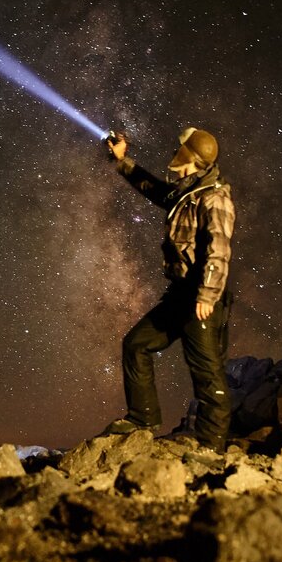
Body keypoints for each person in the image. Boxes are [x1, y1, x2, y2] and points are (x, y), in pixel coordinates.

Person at [102, 127, 236, 451]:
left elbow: (218, 250)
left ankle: (213, 446)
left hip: (201, 296)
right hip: (181, 293)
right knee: (136, 344)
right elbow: (154, 189)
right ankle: (143, 418)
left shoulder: (214, 197)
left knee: (206, 370)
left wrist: (206, 295)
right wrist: (122, 162)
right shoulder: (188, 192)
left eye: (182, 153)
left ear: (193, 159)